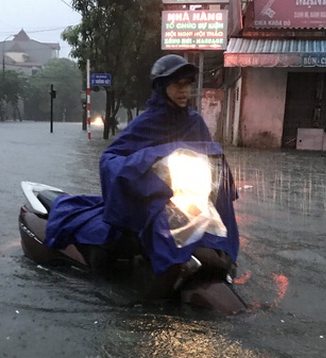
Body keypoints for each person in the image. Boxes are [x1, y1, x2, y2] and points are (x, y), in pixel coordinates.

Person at [45, 55, 238, 274]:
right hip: (154, 197)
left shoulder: (195, 122)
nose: (184, 91)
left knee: (214, 233)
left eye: (188, 85)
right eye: (178, 85)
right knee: (121, 241)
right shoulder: (146, 122)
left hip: (186, 197)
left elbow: (209, 156)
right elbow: (110, 157)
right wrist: (143, 162)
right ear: (162, 86)